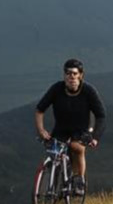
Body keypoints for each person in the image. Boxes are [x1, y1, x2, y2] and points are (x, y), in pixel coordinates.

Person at [35, 58, 106, 195]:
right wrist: (41, 130)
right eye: (68, 73)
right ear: (64, 75)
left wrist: (95, 137)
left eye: (74, 73)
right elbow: (39, 110)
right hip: (60, 129)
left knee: (76, 148)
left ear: (81, 75)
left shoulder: (88, 91)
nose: (71, 76)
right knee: (54, 153)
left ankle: (79, 181)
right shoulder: (57, 89)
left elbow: (101, 116)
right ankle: (54, 185)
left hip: (80, 130)